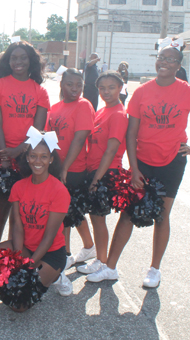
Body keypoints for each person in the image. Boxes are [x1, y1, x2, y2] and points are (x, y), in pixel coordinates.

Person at [87, 42, 190, 287]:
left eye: (171, 60)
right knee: (128, 212)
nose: (165, 63)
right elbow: (131, 134)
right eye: (162, 58)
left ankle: (154, 269)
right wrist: (135, 168)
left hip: (172, 161)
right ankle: (110, 267)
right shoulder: (142, 91)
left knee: (162, 215)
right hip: (143, 162)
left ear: (179, 66)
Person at [0, 130, 73, 307]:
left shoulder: (59, 190)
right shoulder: (18, 186)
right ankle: (33, 271)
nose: (38, 161)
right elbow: (17, 226)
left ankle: (56, 274)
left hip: (50, 253)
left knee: (20, 305)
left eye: (44, 157)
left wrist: (28, 266)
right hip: (25, 247)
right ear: (28, 158)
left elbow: (49, 236)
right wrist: (17, 259)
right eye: (33, 156)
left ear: (51, 159)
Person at [0, 41, 50, 239]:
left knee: (21, 206)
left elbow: (39, 129)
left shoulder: (40, 91)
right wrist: (5, 154)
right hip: (1, 152)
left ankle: (15, 250)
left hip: (27, 155)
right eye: (13, 58)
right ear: (7, 61)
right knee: (1, 203)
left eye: (23, 58)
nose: (18, 62)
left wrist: (20, 150)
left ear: (31, 61)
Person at [76, 71, 128, 275]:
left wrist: (96, 179)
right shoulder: (101, 111)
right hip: (93, 171)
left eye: (111, 87)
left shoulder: (118, 114)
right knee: (95, 217)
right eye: (102, 88)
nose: (106, 92)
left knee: (98, 219)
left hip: (105, 173)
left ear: (120, 88)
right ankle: (99, 256)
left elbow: (111, 150)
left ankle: (102, 261)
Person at [47, 68, 96, 270]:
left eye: (79, 85)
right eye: (70, 84)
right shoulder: (55, 107)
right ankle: (88, 246)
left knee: (67, 212)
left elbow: (80, 138)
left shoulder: (83, 105)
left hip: (73, 168)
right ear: (61, 84)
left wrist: (65, 167)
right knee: (70, 211)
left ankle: (66, 254)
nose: (75, 89)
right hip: (56, 167)